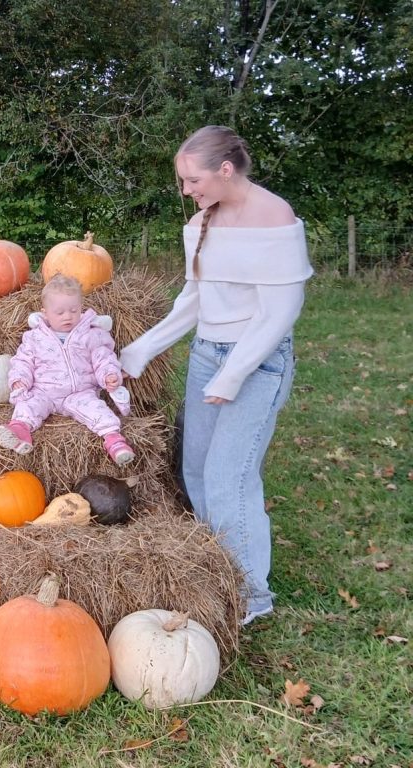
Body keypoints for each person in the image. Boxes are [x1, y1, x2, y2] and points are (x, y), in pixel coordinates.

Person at [118, 125, 313, 626]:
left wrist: (233, 375)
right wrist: (145, 346)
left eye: (192, 179)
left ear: (226, 170)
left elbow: (280, 312)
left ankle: (251, 596)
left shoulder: (275, 217)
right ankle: (218, 570)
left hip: (258, 362)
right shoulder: (201, 223)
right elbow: (195, 299)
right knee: (198, 471)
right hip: (208, 354)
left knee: (232, 478)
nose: (187, 191)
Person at [0, 274, 135, 466]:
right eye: (60, 312)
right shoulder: (35, 337)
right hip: (44, 391)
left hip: (79, 392)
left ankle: (114, 441)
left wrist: (109, 375)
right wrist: (20, 379)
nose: (68, 316)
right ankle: (20, 430)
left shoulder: (90, 334)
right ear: (45, 313)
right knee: (28, 405)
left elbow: (104, 358)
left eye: (74, 310)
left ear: (81, 308)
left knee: (98, 410)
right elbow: (22, 361)